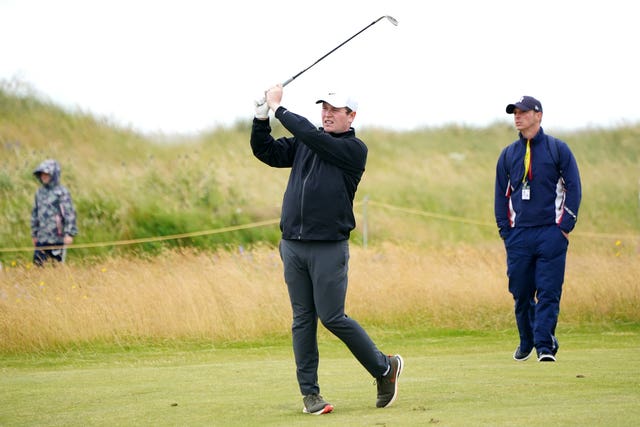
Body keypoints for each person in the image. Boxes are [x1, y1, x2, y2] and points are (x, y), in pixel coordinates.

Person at [250, 84, 403, 414]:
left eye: (336, 110)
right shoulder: (306, 143)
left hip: (328, 247)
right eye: (325, 108)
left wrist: (280, 109)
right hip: (293, 244)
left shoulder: (353, 150)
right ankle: (310, 395)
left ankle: (384, 367)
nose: (328, 114)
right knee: (302, 321)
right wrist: (261, 116)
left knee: (332, 316)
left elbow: (312, 136)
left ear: (352, 116)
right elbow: (266, 152)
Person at [494, 96, 582, 362]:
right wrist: (505, 231)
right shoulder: (508, 154)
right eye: (514, 113)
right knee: (521, 292)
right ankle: (527, 340)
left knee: (548, 291)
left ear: (538, 115)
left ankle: (544, 345)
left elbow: (573, 188)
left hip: (551, 233)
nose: (517, 117)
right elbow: (501, 194)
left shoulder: (558, 149)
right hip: (519, 234)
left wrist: (564, 227)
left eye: (522, 112)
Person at [31, 159, 78, 266]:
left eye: (47, 174)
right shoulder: (39, 192)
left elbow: (69, 214)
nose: (44, 177)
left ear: (54, 175)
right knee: (38, 265)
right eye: (42, 174)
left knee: (56, 267)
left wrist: (69, 233)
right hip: (42, 238)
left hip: (57, 238)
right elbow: (35, 214)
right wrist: (34, 234)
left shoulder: (62, 192)